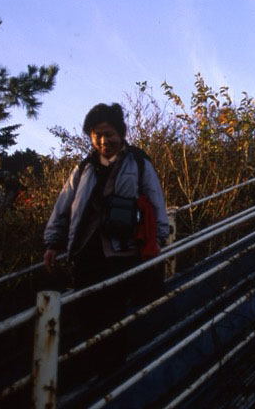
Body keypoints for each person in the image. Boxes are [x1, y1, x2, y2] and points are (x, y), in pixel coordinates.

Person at [43, 102, 169, 372]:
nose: (103, 141)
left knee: (113, 312)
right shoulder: (84, 167)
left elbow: (156, 200)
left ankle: (114, 369)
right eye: (97, 135)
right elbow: (63, 206)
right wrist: (53, 243)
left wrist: (159, 238)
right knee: (86, 310)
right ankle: (94, 367)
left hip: (121, 251)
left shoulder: (138, 162)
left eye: (109, 134)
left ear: (121, 133)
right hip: (86, 252)